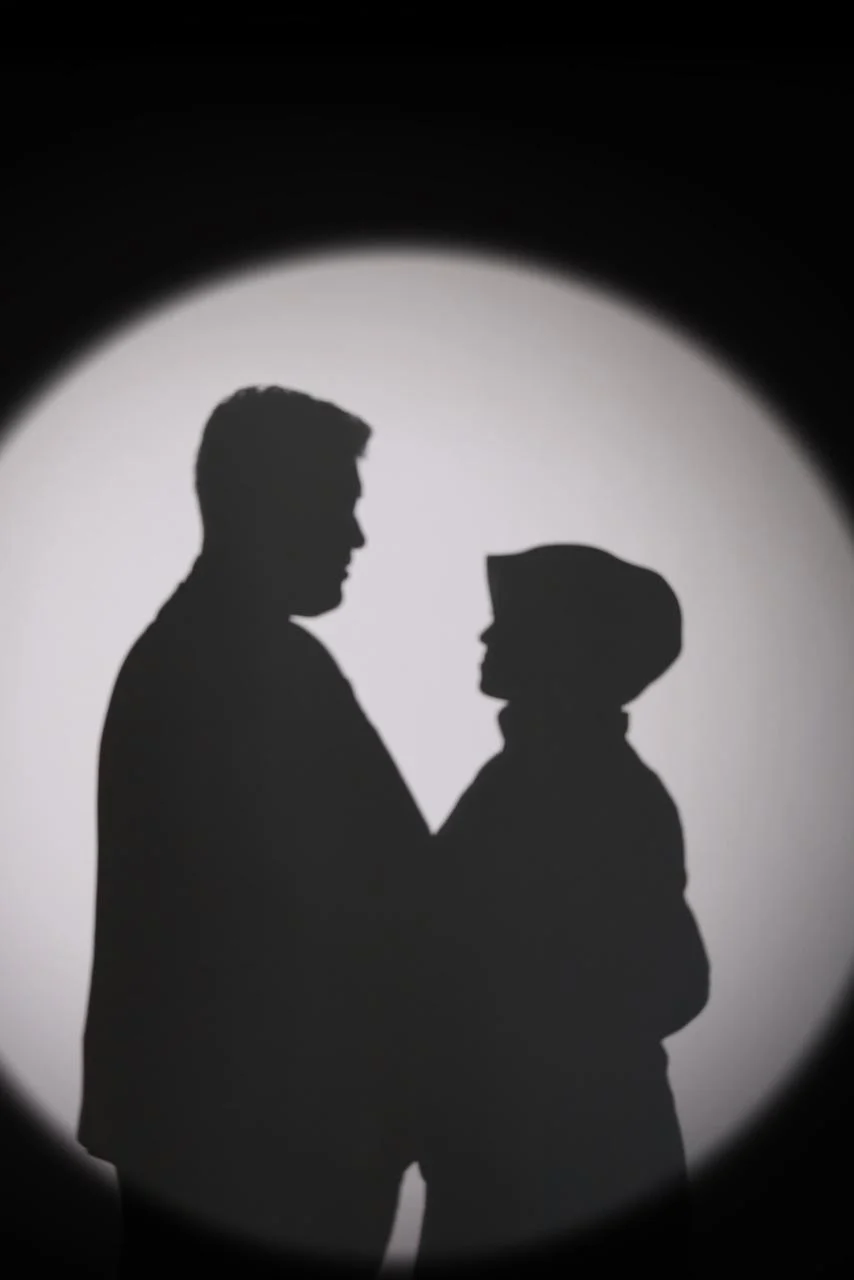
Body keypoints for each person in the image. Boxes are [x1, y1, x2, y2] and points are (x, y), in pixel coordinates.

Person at [77, 387, 431, 1275]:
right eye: (337, 506)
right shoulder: (249, 668)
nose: (356, 537)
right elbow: (365, 894)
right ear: (267, 507)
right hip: (272, 1144)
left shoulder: (207, 654)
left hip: (230, 1132)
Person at [415, 545, 710, 1272]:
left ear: (564, 648)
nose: (486, 635)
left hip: (553, 1162)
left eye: (511, 621)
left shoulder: (578, 786)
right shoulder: (546, 776)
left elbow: (671, 982)